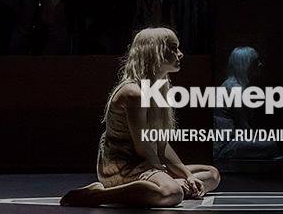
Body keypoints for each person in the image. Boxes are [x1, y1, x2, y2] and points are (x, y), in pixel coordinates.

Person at [61, 27, 220, 207]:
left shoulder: (159, 89)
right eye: (173, 48)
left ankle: (156, 188)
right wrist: (165, 175)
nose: (180, 54)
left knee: (212, 175)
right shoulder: (133, 93)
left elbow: (161, 144)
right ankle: (98, 195)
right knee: (172, 193)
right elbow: (142, 146)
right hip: (123, 165)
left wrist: (188, 176)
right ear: (155, 52)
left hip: (145, 162)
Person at [213, 46, 278, 160]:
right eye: (255, 61)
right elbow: (243, 126)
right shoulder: (235, 89)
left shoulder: (230, 85)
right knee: (270, 144)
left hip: (226, 141)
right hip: (224, 145)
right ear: (246, 65)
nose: (260, 64)